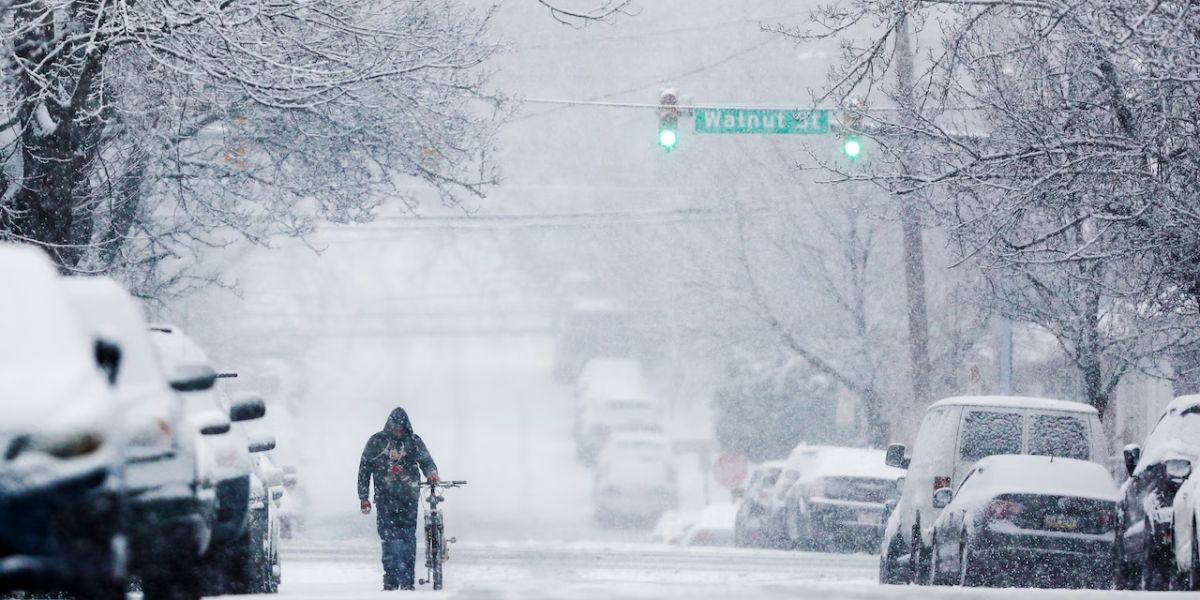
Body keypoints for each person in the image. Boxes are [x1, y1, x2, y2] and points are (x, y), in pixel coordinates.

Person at [358, 407, 439, 591]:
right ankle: (391, 581)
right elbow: (364, 469)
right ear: (389, 425)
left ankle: (407, 581)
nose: (398, 430)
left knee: (407, 539)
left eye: (401, 427)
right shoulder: (377, 442)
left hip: (408, 499)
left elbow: (426, 461)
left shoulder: (414, 441)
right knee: (388, 540)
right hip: (385, 499)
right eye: (395, 426)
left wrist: (432, 473)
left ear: (406, 426)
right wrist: (364, 497)